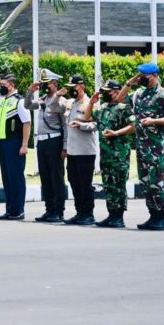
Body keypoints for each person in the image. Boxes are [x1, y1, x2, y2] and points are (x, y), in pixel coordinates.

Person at [117, 63, 164, 231]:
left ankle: (161, 217)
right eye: (140, 75)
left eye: (145, 75)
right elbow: (119, 99)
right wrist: (129, 83)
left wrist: (154, 121)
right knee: (145, 181)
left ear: (155, 76)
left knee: (156, 181)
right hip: (142, 146)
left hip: (157, 146)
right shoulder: (139, 93)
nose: (142, 78)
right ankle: (153, 215)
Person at [84, 80, 135, 228]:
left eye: (109, 91)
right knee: (109, 185)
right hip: (105, 155)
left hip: (119, 155)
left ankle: (118, 217)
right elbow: (88, 117)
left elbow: (134, 126)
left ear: (117, 91)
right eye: (104, 91)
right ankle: (111, 215)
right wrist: (91, 102)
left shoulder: (123, 108)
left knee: (118, 185)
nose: (105, 93)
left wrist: (116, 133)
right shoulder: (103, 108)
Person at [0, 74, 31, 221]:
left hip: (15, 142)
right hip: (3, 143)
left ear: (12, 85)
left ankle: (18, 210)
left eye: (4, 84)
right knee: (7, 178)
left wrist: (24, 145)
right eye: (0, 84)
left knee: (16, 177)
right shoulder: (1, 99)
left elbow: (27, 123)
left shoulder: (19, 101)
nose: (1, 86)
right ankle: (10, 209)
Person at [24, 69, 68, 223]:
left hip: (54, 141)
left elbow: (65, 125)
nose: (45, 86)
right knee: (45, 177)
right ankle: (49, 209)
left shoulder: (61, 101)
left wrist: (65, 147)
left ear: (55, 84)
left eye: (47, 83)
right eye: (43, 83)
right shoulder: (43, 99)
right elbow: (28, 105)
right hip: (42, 142)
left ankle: (58, 211)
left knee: (56, 177)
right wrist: (30, 90)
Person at [56, 75, 98, 225]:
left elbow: (95, 125)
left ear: (82, 87)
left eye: (74, 87)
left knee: (85, 184)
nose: (71, 90)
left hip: (86, 151)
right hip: (72, 151)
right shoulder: (70, 103)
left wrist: (81, 125)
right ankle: (79, 212)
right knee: (74, 182)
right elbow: (52, 107)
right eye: (70, 87)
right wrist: (58, 94)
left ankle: (88, 214)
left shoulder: (90, 103)